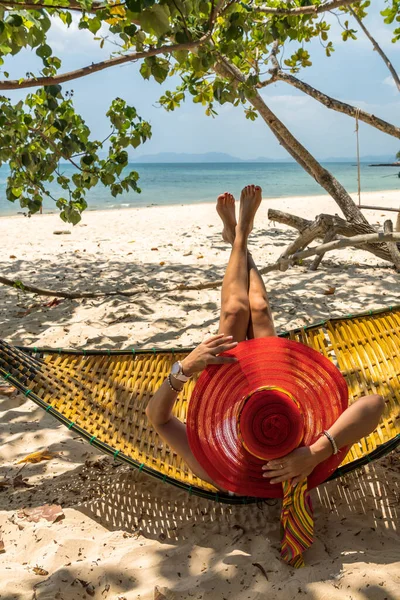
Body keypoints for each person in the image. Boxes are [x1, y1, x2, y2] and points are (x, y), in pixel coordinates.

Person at [146, 185, 385, 492]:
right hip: (278, 386)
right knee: (258, 308)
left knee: (235, 312)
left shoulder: (215, 467)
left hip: (229, 387)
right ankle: (239, 235)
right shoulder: (303, 459)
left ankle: (238, 237)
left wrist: (185, 369)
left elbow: (158, 419)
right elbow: (374, 405)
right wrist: (313, 454)